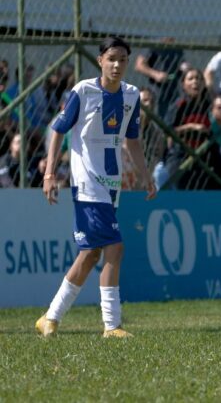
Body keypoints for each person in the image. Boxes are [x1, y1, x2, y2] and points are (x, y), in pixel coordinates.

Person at [36, 36, 156, 338]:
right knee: (115, 247)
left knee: (90, 254)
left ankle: (50, 317)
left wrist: (146, 175)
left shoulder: (131, 95)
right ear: (100, 60)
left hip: (111, 185)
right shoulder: (83, 91)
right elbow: (57, 130)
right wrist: (50, 173)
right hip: (87, 183)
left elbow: (132, 140)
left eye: (123, 60)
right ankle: (111, 325)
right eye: (111, 58)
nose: (117, 65)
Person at [134, 37, 185, 118]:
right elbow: (139, 65)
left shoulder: (178, 47)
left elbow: (180, 63)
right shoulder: (153, 44)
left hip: (173, 92)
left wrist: (184, 67)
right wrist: (155, 74)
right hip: (155, 92)